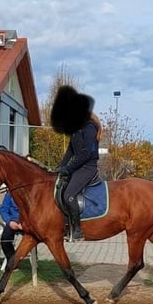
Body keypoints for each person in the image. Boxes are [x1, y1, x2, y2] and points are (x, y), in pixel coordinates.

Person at [50, 85, 102, 241]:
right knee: (60, 187)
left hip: (88, 167)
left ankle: (77, 230)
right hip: (78, 165)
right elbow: (70, 151)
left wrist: (68, 168)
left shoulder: (90, 128)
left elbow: (85, 154)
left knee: (69, 194)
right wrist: (60, 167)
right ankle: (64, 226)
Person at [0, 191, 22, 269]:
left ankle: (34, 259)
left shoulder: (30, 190)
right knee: (5, 240)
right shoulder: (9, 194)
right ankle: (12, 262)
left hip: (27, 222)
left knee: (32, 239)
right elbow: (3, 210)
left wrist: (25, 223)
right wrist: (9, 222)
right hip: (13, 221)